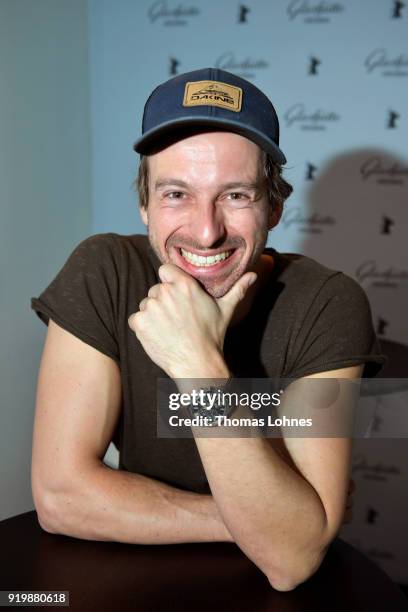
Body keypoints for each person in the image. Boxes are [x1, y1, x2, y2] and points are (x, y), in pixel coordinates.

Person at [30, 68, 385, 591]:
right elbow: (61, 498)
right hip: (130, 579)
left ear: (275, 206)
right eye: (176, 193)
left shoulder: (328, 303)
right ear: (144, 204)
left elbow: (289, 563)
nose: (205, 229)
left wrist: (197, 365)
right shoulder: (104, 270)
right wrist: (250, 522)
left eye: (236, 195)